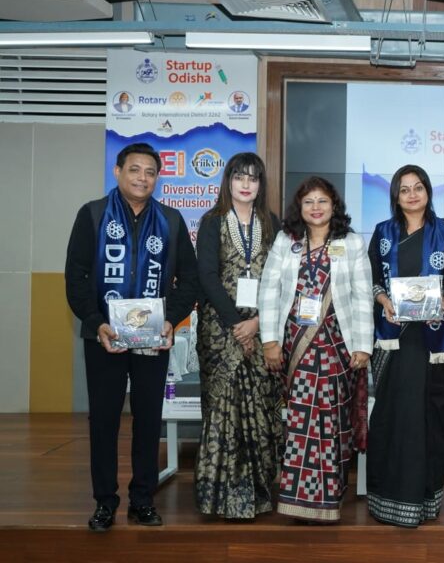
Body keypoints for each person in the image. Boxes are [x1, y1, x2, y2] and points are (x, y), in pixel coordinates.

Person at [65, 142, 199, 531]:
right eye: (135, 170)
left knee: (148, 419)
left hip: (152, 340)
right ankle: (104, 502)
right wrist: (96, 322)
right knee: (104, 421)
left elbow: (189, 280)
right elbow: (76, 278)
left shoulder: (171, 220)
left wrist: (170, 321)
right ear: (118, 171)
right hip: (104, 337)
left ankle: (143, 500)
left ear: (158, 178)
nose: (143, 178)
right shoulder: (92, 214)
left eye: (150, 172)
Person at [258, 176, 373, 523]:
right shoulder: (287, 241)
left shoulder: (350, 242)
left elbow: (362, 295)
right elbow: (269, 290)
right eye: (309, 202)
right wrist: (269, 340)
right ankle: (298, 498)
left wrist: (363, 345)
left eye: (322, 201)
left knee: (332, 418)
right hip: (296, 344)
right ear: (300, 207)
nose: (316, 208)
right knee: (301, 419)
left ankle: (329, 496)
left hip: (337, 343)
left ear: (334, 205)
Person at [366, 164, 444, 528]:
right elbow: (372, 279)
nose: (412, 195)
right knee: (392, 417)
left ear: (428, 191)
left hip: (432, 342)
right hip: (393, 340)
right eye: (404, 189)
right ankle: (387, 499)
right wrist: (382, 300)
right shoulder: (383, 232)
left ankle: (425, 500)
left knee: (428, 419)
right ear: (396, 196)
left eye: (418, 187)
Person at [194, 152, 283, 519]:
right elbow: (207, 277)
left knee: (261, 408)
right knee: (223, 411)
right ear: (228, 181)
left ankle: (259, 493)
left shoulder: (272, 223)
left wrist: (257, 323)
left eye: (253, 178)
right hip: (220, 331)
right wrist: (237, 325)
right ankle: (218, 498)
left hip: (262, 328)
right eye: (239, 177)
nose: (246, 184)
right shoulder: (212, 221)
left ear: (261, 184)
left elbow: (280, 278)